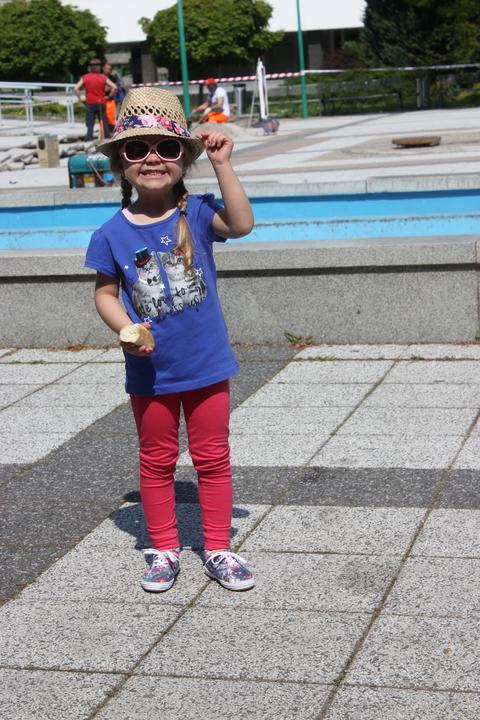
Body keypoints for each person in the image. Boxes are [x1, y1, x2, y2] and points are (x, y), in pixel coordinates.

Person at [84, 86, 255, 593]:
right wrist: (124, 329)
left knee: (212, 457)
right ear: (121, 162)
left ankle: (218, 547)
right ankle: (163, 549)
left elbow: (242, 224)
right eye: (137, 149)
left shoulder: (197, 213)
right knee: (156, 460)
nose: (152, 158)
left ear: (184, 158)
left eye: (167, 147)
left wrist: (223, 166)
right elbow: (106, 294)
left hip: (207, 365)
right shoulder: (110, 233)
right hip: (151, 371)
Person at [74, 58, 117, 141]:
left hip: (90, 103)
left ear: (90, 67)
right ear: (99, 67)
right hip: (101, 103)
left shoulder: (85, 77)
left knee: (90, 122)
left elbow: (76, 89)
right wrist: (109, 96)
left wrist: (81, 98)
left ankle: (89, 137)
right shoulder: (103, 77)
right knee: (104, 121)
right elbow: (114, 87)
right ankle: (107, 137)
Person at [103, 62, 126, 133]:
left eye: (109, 69)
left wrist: (110, 93)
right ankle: (107, 131)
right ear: (103, 68)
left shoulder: (113, 77)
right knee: (105, 117)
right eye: (106, 68)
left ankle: (112, 132)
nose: (107, 70)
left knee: (112, 117)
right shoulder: (100, 76)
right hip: (102, 99)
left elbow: (116, 87)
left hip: (111, 99)